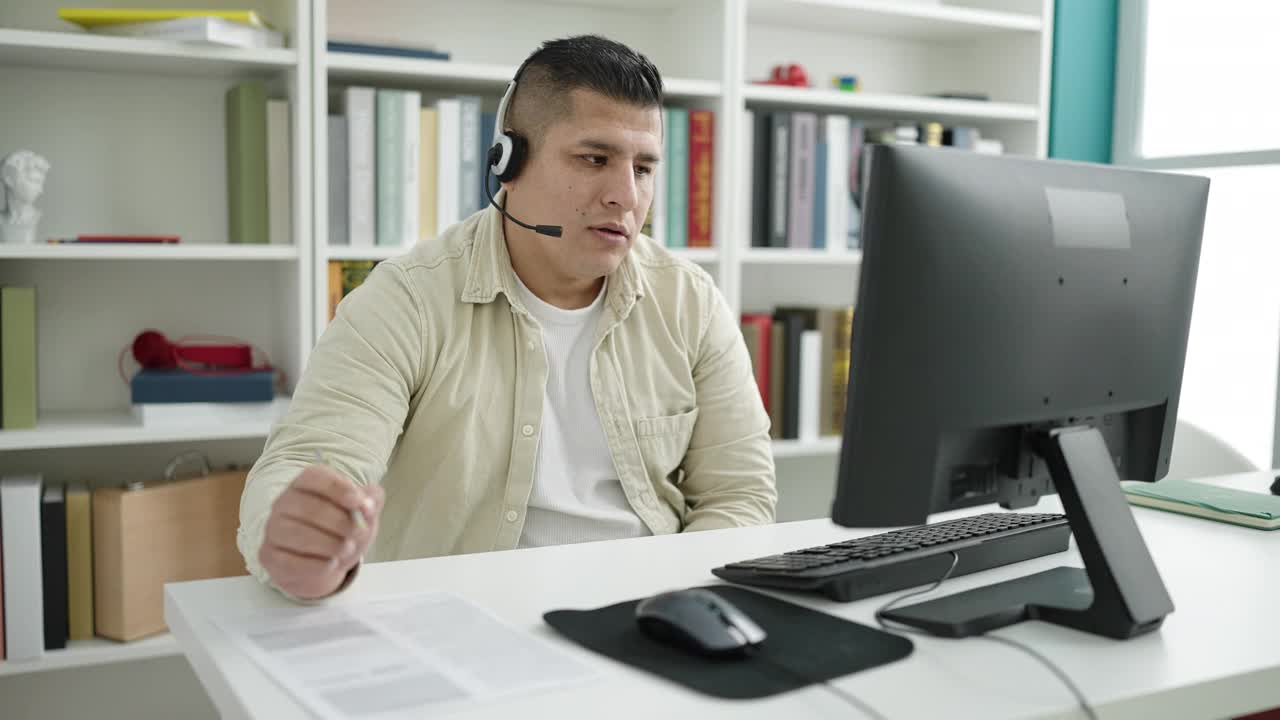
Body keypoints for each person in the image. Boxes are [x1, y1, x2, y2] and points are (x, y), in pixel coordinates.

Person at [238, 35, 776, 601]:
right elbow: (311, 461)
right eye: (595, 158)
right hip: (463, 623)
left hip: (650, 618)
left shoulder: (690, 303)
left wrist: (687, 606)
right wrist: (297, 537)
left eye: (643, 168)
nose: (625, 195)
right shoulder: (406, 298)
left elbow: (738, 497)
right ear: (507, 159)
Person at [1, 150, 51, 226]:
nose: (40, 190)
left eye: (40, 183)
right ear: (9, 180)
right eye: (34, 181)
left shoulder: (34, 218)